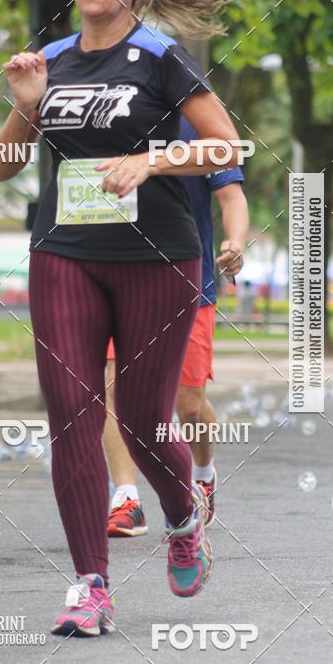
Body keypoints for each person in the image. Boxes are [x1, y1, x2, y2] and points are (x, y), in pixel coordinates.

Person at [0, 0, 242, 638]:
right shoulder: (51, 59)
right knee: (71, 414)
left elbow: (227, 145)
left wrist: (155, 159)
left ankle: (184, 515)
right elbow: (4, 167)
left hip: (157, 257)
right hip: (64, 251)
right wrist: (25, 107)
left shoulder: (161, 56)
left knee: (140, 415)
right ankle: (90, 586)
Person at [104, 114, 248, 537]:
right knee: (115, 389)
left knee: (188, 404)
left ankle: (202, 472)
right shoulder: (110, 118)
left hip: (190, 281)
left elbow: (232, 198)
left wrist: (235, 241)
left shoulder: (202, 125)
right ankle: (127, 499)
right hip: (120, 276)